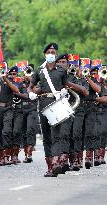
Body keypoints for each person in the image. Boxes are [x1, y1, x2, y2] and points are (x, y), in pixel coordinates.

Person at [28, 43, 88, 177]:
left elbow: (67, 85)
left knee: (57, 134)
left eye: (53, 52)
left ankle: (56, 163)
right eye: (49, 52)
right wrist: (31, 92)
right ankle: (50, 166)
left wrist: (69, 90)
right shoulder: (40, 70)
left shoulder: (61, 71)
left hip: (57, 104)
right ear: (45, 54)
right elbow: (31, 86)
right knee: (47, 136)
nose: (51, 54)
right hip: (43, 104)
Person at [0, 66, 19, 166]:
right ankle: (2, 157)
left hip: (8, 109)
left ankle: (8, 154)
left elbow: (16, 90)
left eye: (3, 71)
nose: (1, 72)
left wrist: (6, 79)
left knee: (6, 131)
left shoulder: (10, 81)